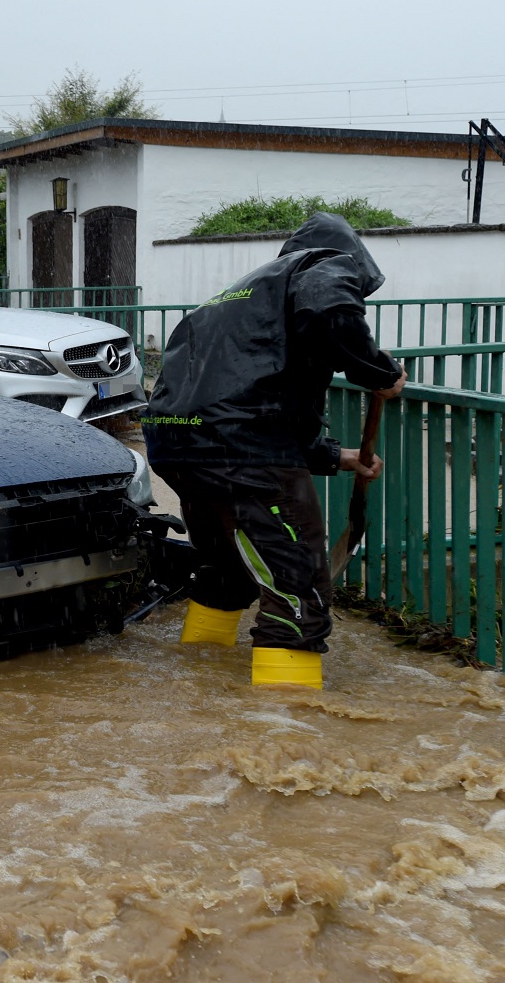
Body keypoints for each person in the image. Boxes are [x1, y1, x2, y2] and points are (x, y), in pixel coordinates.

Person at [141, 212, 406, 689]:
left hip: (179, 444)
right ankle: (287, 722)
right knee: (297, 581)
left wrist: (332, 455)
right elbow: (328, 313)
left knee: (228, 569)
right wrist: (380, 373)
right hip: (241, 451)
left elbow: (251, 387)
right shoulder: (325, 265)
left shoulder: (239, 297)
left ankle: (198, 676)